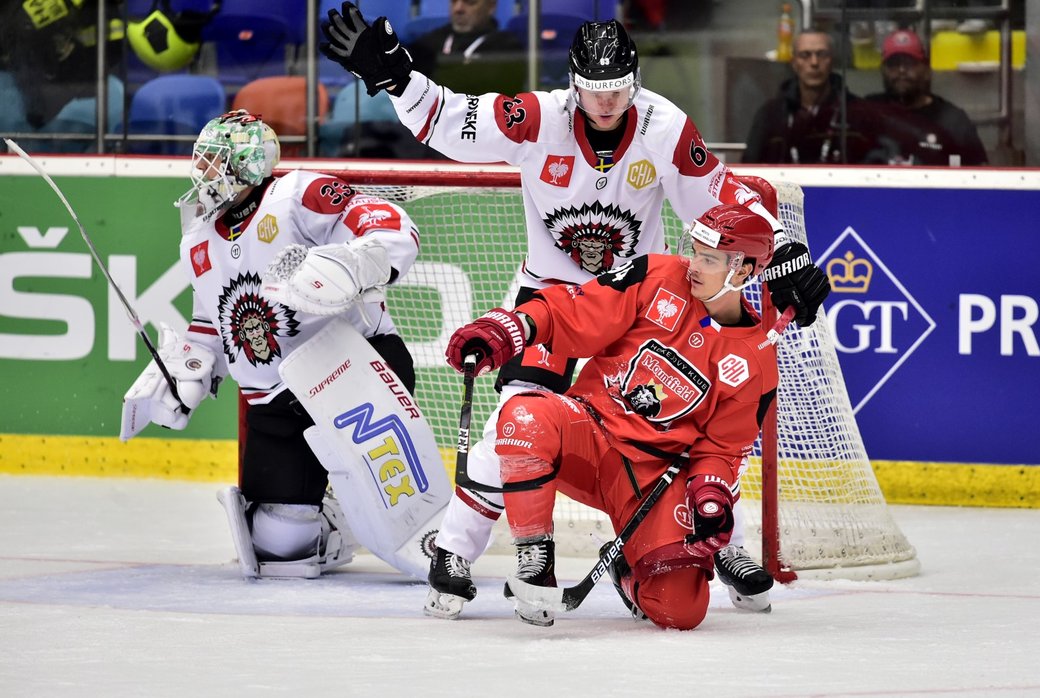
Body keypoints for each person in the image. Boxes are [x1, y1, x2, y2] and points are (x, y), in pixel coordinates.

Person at [319, 4, 830, 619]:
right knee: (512, 423)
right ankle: (454, 553)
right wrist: (401, 78)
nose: (606, 103)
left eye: (617, 90)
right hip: (552, 298)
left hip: (642, 302)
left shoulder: (665, 126)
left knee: (687, 425)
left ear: (635, 81)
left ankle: (725, 545)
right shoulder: (539, 117)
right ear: (573, 83)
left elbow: (723, 199)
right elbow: (455, 122)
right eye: (593, 90)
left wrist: (785, 252)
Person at [120, 109, 423, 579]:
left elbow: (387, 223)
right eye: (200, 160)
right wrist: (188, 374)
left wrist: (355, 265)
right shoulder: (196, 239)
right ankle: (332, 527)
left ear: (244, 164)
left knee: (397, 506)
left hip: (352, 372)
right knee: (282, 546)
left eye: (213, 161)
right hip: (276, 399)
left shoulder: (297, 194)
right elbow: (211, 319)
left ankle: (361, 502)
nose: (201, 171)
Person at [444, 203, 780, 628]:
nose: (694, 265)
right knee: (523, 415)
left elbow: (723, 449)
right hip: (590, 433)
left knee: (681, 611)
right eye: (694, 251)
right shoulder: (658, 275)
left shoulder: (756, 362)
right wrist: (512, 328)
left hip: (652, 478)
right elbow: (574, 310)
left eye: (708, 259)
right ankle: (535, 557)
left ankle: (625, 564)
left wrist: (711, 496)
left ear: (744, 270)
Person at [0, 0, 216, 152]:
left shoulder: (113, 19)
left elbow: (162, 51)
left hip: (77, 94)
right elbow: (19, 25)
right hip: (20, 85)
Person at [742, 29, 877, 164]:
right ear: (794, 63)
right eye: (805, 55)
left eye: (822, 54)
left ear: (832, 61)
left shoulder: (857, 113)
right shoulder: (771, 114)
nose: (814, 63)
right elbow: (750, 168)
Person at [864, 29, 988, 166]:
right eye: (894, 64)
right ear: (883, 71)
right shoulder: (867, 112)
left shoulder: (952, 121)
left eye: (909, 63)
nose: (901, 70)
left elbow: (979, 176)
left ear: (927, 70)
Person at [408, 0, 526, 96]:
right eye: (453, 2)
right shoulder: (430, 41)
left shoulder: (506, 46)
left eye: (469, 2)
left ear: (491, 6)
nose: (458, 9)